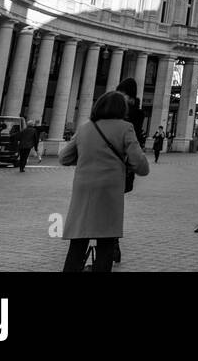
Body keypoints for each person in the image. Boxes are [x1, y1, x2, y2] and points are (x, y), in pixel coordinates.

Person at [58, 90, 149, 271]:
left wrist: (87, 158)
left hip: (84, 189)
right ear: (122, 109)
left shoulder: (85, 127)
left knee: (78, 241)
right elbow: (141, 166)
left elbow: (64, 158)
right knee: (106, 241)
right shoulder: (125, 128)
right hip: (109, 191)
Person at [117, 79, 147, 148]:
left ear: (131, 97)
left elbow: (134, 140)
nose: (118, 97)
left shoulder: (136, 115)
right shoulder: (117, 110)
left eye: (122, 94)